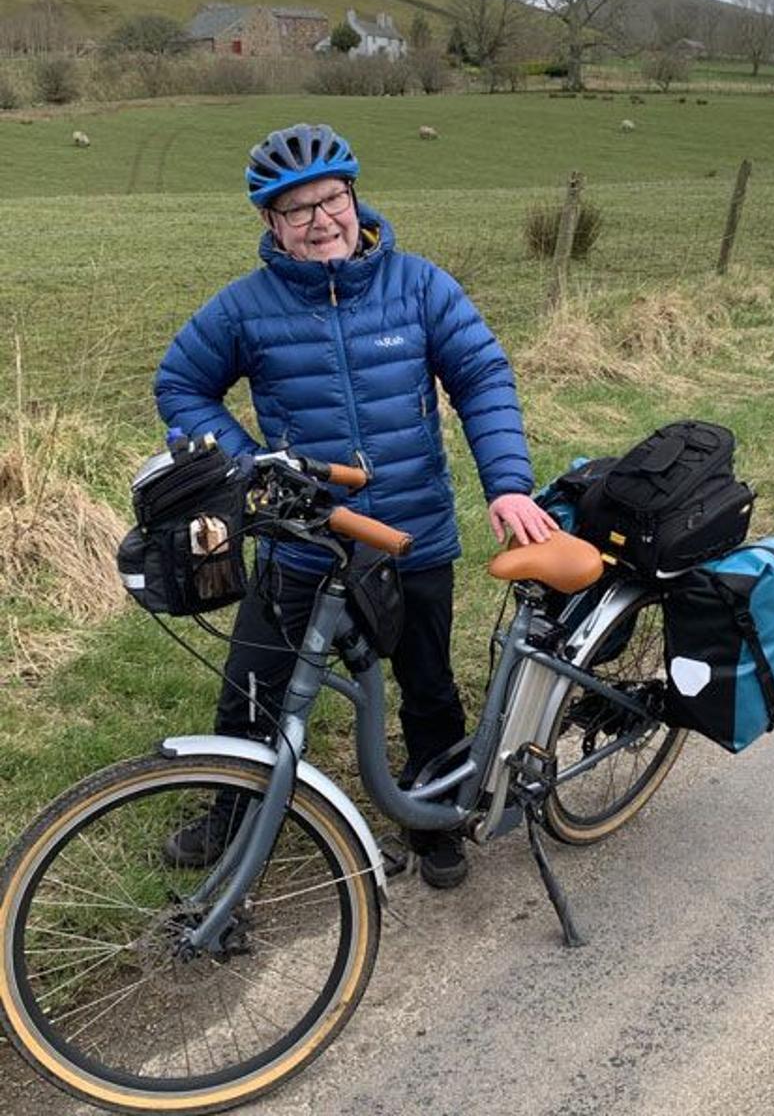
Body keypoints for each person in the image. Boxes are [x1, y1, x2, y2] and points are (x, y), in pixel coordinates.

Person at [155, 123, 556, 888]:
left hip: (412, 538)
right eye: (295, 209)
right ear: (271, 224)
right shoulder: (245, 308)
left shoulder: (420, 287)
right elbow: (180, 385)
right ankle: (230, 817)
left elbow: (481, 377)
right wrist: (250, 470)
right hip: (303, 538)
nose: (319, 220)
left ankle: (429, 814)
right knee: (252, 686)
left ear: (354, 198)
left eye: (330, 199)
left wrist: (506, 482)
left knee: (429, 688)